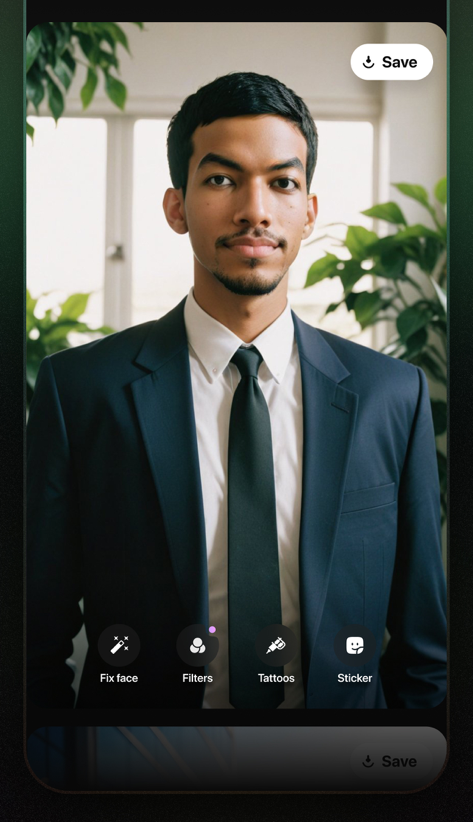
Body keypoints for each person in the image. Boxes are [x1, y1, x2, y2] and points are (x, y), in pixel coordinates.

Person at [27, 71, 446, 712]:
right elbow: (36, 639)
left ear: (308, 210)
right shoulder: (80, 392)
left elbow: (426, 654)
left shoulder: (394, 396)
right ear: (177, 206)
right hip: (143, 770)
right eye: (222, 179)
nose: (256, 209)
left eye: (282, 182)